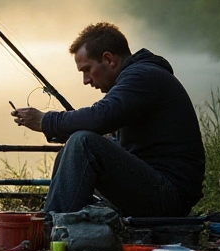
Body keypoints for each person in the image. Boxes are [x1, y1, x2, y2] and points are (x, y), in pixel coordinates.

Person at [10, 22, 205, 216]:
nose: (86, 80)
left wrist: (46, 121)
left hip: (169, 196)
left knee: (83, 143)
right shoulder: (138, 77)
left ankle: (50, 227)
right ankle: (59, 221)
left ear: (109, 59)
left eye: (87, 70)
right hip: (157, 188)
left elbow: (100, 116)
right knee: (71, 150)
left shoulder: (142, 76)